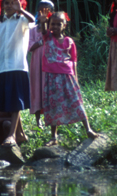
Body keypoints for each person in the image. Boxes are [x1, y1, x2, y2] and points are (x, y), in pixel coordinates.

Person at [37, 10, 98, 146]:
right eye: (53, 24)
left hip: (67, 77)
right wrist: (43, 22)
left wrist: (75, 78)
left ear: (65, 25)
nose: (55, 27)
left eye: (59, 24)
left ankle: (88, 128)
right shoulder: (48, 37)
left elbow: (74, 60)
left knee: (76, 102)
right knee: (53, 105)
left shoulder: (69, 41)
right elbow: (44, 31)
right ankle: (54, 136)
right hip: (51, 78)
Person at [0, 0, 35, 147]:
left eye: (13, 2)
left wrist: (20, 9)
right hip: (3, 68)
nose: (9, 6)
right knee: (9, 101)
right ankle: (20, 134)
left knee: (15, 102)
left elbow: (33, 20)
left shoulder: (21, 20)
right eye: (6, 3)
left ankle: (12, 136)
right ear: (1, 6)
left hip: (17, 66)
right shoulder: (0, 25)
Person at [29, 0, 55, 129]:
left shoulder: (54, 28)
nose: (44, 14)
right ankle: (38, 120)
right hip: (37, 63)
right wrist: (40, 43)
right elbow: (29, 46)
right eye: (41, 11)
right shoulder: (33, 29)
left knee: (49, 88)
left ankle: (50, 118)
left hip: (50, 63)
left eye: (48, 11)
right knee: (37, 87)